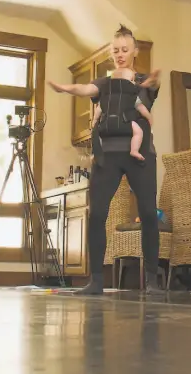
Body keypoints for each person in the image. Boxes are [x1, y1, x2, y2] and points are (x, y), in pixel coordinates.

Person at [48, 24, 164, 295]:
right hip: (107, 157)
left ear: (135, 51)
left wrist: (154, 80)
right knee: (97, 213)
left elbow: (154, 86)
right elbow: (83, 89)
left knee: (148, 213)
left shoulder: (143, 81)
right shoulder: (104, 83)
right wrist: (64, 88)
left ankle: (151, 281)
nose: (120, 54)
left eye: (125, 50)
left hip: (140, 155)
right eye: (115, 51)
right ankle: (96, 280)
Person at [89, 67, 154, 161]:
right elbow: (141, 108)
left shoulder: (106, 95)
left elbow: (98, 110)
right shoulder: (132, 95)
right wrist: (149, 118)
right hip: (124, 123)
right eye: (132, 80)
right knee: (138, 132)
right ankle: (134, 150)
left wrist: (94, 122)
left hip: (107, 123)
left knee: (98, 136)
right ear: (130, 81)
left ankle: (96, 154)